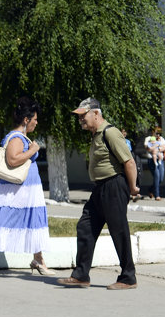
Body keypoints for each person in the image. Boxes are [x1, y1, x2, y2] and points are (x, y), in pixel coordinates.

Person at [58, 97, 138, 290]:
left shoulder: (110, 133)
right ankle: (81, 275)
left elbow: (129, 162)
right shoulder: (96, 135)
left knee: (119, 231)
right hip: (100, 188)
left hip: (114, 185)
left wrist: (133, 187)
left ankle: (128, 277)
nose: (81, 120)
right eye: (79, 117)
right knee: (85, 226)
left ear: (96, 113)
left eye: (83, 116)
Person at [0, 97, 50, 276]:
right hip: (15, 190)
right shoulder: (16, 138)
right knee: (4, 220)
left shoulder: (23, 137)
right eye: (34, 119)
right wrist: (32, 151)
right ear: (26, 120)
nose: (36, 122)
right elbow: (12, 159)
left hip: (28, 189)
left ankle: (38, 260)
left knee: (34, 220)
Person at [146, 126, 165, 201]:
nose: (158, 135)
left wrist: (156, 148)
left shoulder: (162, 139)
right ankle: (157, 195)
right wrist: (158, 147)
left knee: (161, 178)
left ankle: (151, 189)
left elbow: (164, 148)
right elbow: (149, 149)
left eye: (159, 133)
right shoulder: (149, 139)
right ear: (153, 133)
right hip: (152, 161)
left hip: (160, 161)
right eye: (156, 133)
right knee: (157, 177)